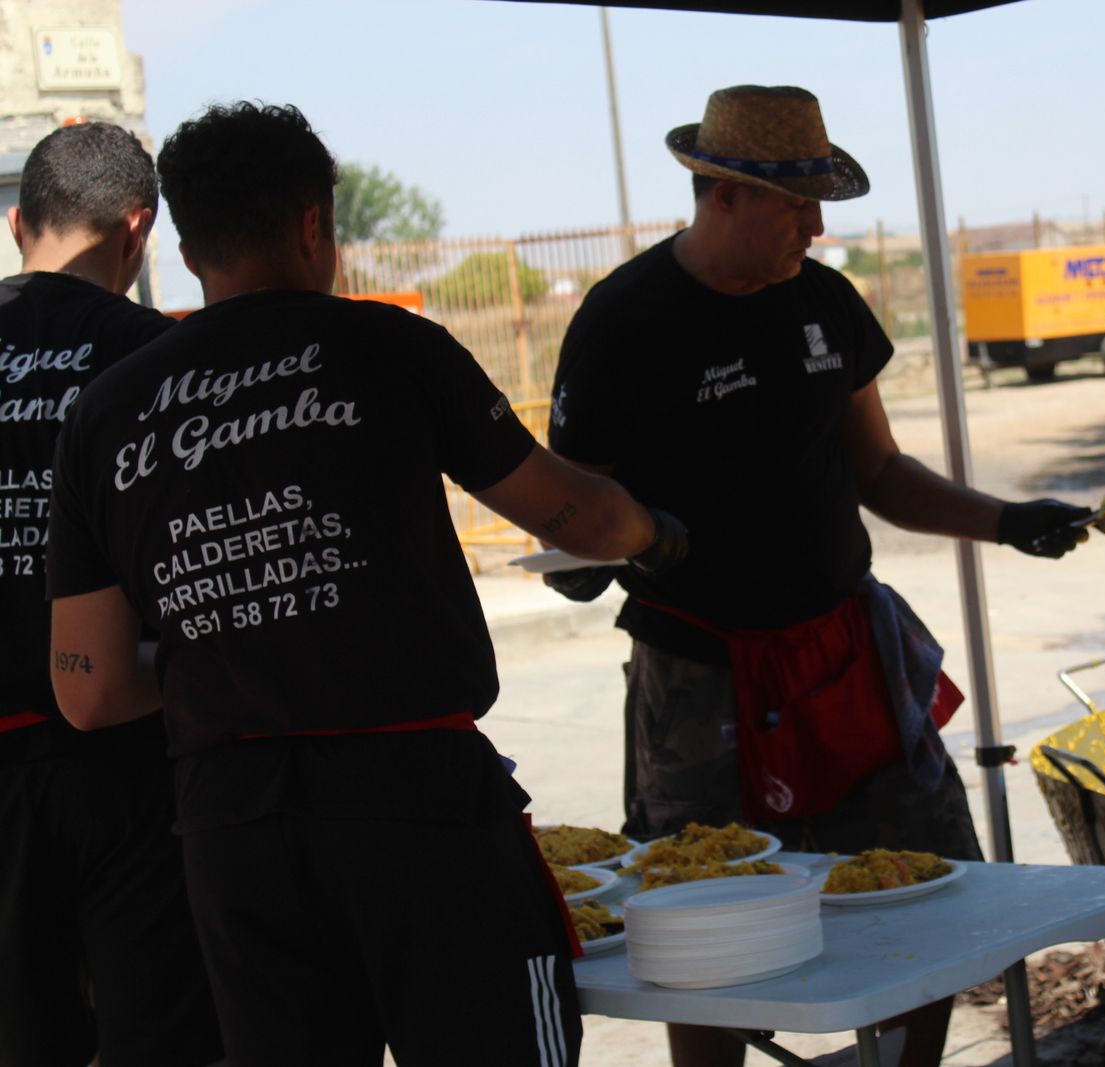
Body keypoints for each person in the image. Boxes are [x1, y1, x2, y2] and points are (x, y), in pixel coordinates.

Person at [45, 101, 687, 1067]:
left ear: (186, 246)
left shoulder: (107, 409)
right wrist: (657, 533)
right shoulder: (390, 348)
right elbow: (579, 518)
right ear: (314, 223)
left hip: (230, 828)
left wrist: (224, 645)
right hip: (416, 807)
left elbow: (87, 686)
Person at [545, 84, 1094, 1067]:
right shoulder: (624, 320)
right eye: (796, 203)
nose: (818, 225)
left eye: (818, 199)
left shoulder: (824, 303)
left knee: (930, 893)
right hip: (697, 673)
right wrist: (584, 559)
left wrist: (1006, 520)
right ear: (723, 197)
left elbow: (879, 471)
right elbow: (577, 504)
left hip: (845, 655)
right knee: (696, 921)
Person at [0, 121, 224, 1067]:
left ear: (18, 226)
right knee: (162, 1035)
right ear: (138, 231)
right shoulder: (161, 358)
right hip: (128, 756)